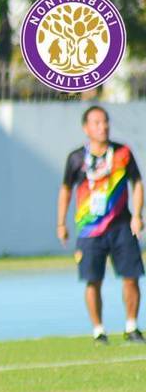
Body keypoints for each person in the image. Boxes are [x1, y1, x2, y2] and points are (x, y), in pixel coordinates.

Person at [57, 105, 145, 344]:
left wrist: (137, 214)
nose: (102, 126)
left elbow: (137, 183)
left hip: (121, 226)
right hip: (90, 230)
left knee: (131, 276)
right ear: (86, 128)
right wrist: (61, 223)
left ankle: (132, 327)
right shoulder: (76, 158)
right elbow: (65, 190)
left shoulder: (122, 153)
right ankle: (98, 331)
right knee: (92, 279)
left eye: (105, 121)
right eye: (96, 123)